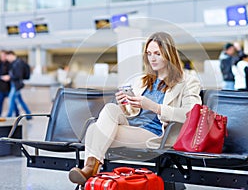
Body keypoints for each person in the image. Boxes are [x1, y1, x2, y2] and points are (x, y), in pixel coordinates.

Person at [68, 32, 202, 186]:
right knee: (111, 108)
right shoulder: (143, 81)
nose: (152, 58)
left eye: (158, 53)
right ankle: (91, 169)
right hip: (133, 127)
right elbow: (132, 113)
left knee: (94, 130)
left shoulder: (187, 81)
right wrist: (124, 104)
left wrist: (154, 107)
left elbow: (191, 114)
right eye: (149, 54)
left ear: (169, 54)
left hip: (156, 134)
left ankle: (90, 170)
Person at [1, 50, 31, 119]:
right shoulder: (15, 63)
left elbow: (18, 75)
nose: (7, 59)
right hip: (15, 84)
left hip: (16, 84)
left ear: (11, 55)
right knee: (20, 100)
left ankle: (9, 115)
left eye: (8, 57)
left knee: (11, 99)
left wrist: (9, 77)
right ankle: (28, 114)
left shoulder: (18, 63)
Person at [0, 50, 19, 117]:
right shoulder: (0, 64)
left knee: (12, 102)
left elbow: (13, 74)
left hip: (8, 87)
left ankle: (16, 114)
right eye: (1, 56)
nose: (2, 57)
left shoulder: (10, 64)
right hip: (1, 87)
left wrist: (8, 77)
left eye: (3, 56)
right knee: (0, 102)